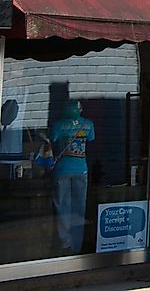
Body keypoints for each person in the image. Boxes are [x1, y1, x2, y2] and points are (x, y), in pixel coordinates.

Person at [48, 101, 94, 253]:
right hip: (81, 169)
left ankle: (65, 242)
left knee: (63, 206)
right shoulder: (88, 124)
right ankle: (77, 241)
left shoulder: (58, 125)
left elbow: (52, 139)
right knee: (79, 207)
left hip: (62, 170)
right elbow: (91, 139)